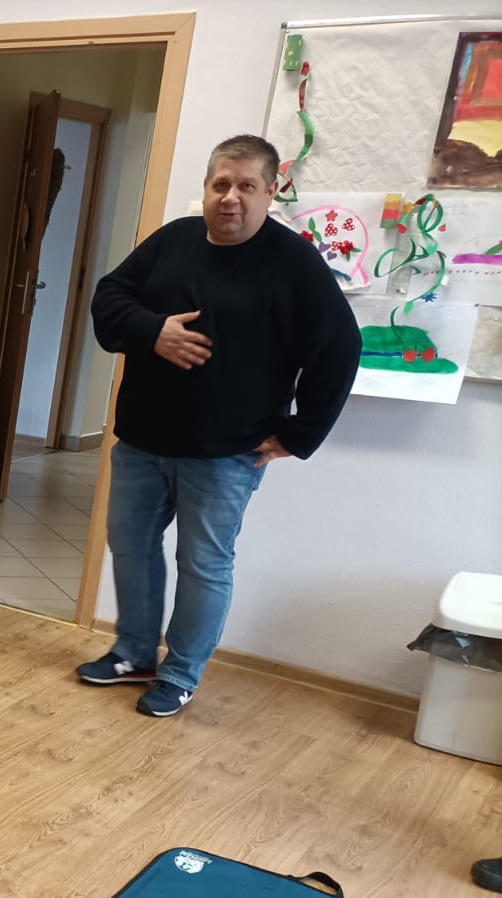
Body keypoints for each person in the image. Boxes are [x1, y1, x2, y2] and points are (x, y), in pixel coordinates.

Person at [81, 134, 362, 717]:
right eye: (221, 184)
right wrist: (153, 330)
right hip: (141, 440)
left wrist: (299, 433)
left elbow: (340, 345)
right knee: (130, 547)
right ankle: (134, 654)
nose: (231, 197)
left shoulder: (293, 263)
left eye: (246, 186)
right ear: (206, 188)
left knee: (203, 565)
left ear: (270, 191)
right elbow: (109, 297)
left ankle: (179, 674)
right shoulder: (174, 240)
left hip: (226, 454)